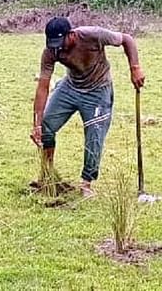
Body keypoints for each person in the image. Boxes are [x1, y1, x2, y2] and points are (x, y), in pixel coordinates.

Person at [30, 17, 145, 197]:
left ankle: (86, 183)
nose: (58, 48)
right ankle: (47, 174)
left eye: (61, 43)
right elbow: (42, 87)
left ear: (72, 35)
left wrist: (135, 67)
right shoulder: (51, 52)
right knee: (46, 126)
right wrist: (36, 123)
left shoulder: (93, 35)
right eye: (53, 44)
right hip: (70, 87)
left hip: (98, 91)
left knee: (94, 136)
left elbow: (126, 39)